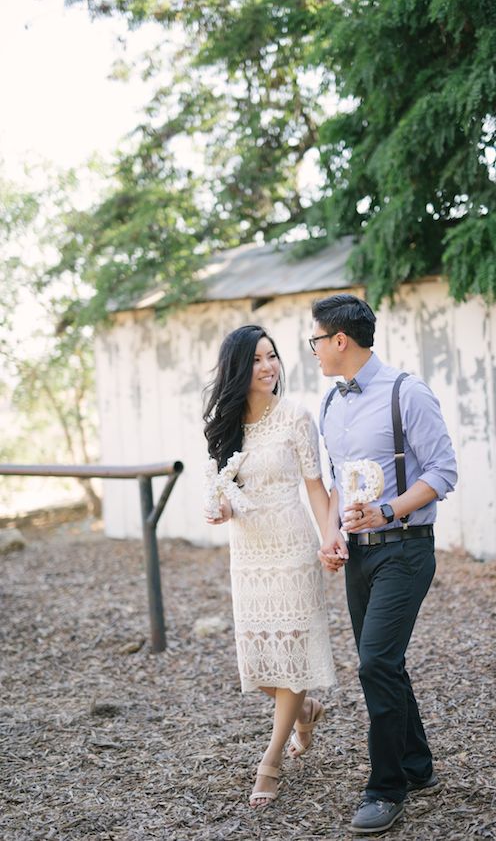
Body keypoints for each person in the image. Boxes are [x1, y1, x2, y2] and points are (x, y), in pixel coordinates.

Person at [310, 294, 457, 835]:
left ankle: (386, 788)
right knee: (386, 663)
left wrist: (387, 510)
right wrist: (332, 538)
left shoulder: (407, 393)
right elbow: (333, 484)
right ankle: (419, 769)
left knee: (373, 663)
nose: (315, 352)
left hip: (406, 548)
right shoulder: (330, 403)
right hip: (358, 557)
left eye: (316, 341)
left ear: (340, 341)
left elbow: (443, 471)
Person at [203, 324, 336, 808]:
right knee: (260, 664)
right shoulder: (227, 424)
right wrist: (222, 509)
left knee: (293, 654)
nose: (268, 366)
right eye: (258, 359)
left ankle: (271, 761)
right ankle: (305, 711)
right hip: (249, 553)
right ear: (240, 367)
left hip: (294, 548)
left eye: (273, 356)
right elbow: (226, 491)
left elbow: (316, 489)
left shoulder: (297, 417)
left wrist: (330, 539)